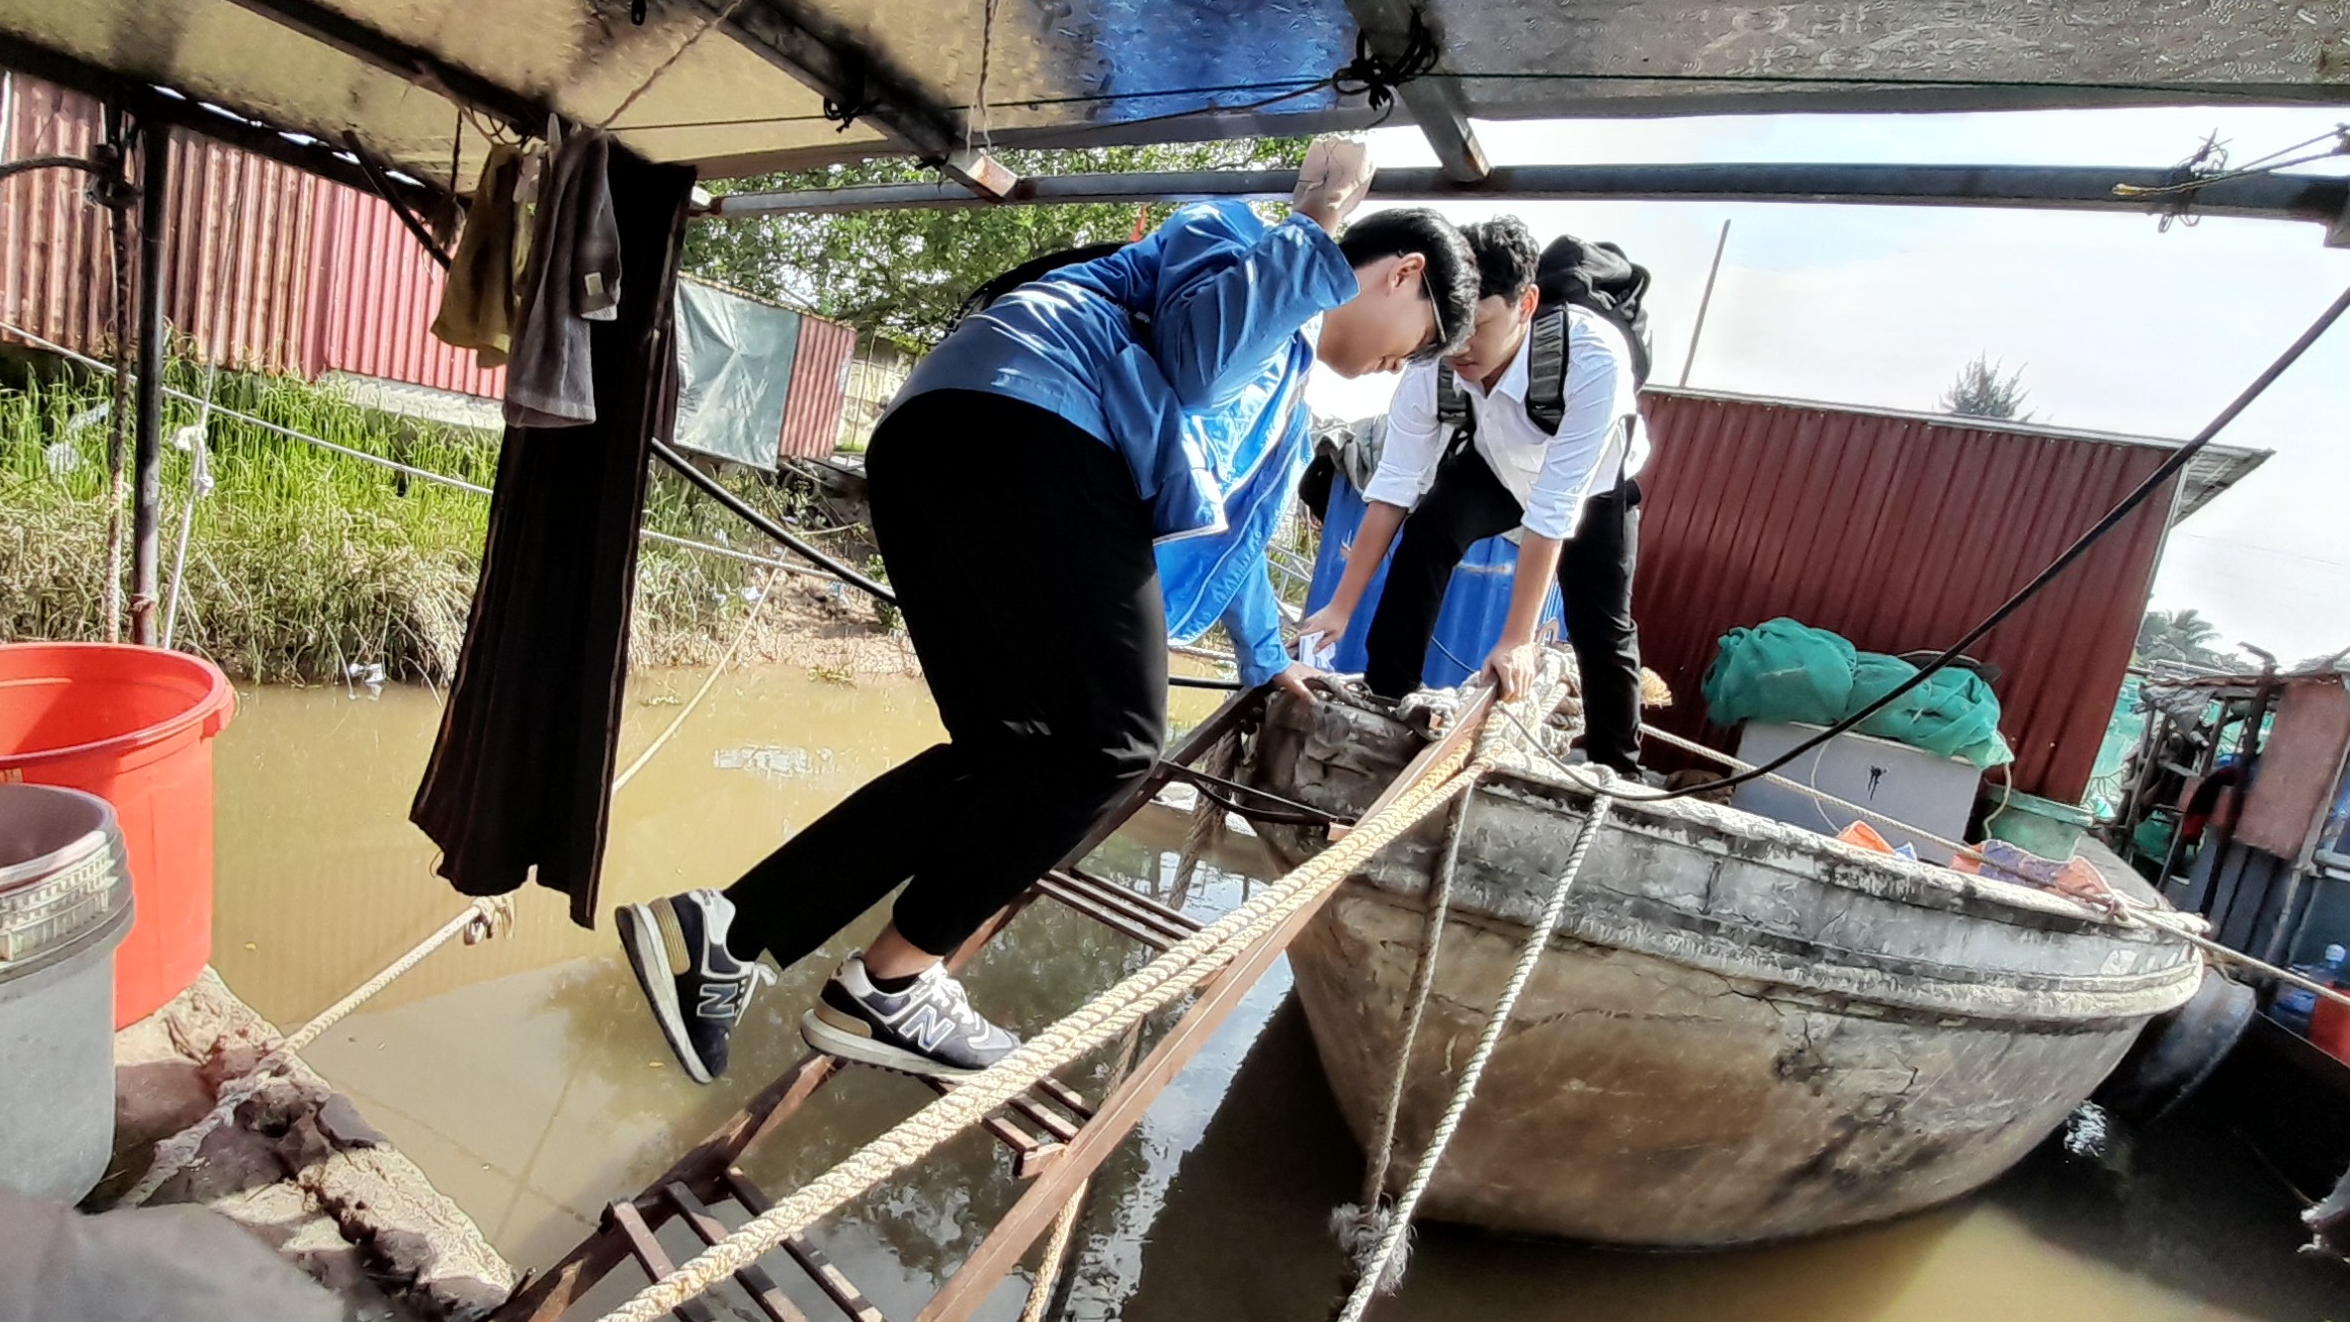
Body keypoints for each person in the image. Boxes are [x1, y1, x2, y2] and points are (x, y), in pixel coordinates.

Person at [617, 144, 1480, 1086]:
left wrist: (1265, 659)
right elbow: (1193, 365)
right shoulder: (1243, 236)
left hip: (944, 448)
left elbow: (1235, 541)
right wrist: (1314, 228)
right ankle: (891, 984)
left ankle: (731, 931)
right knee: (1112, 748)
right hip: (1030, 432)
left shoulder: (1286, 392)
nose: (1402, 369)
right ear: (1402, 274)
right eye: (1420, 340)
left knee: (1009, 751)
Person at [1297, 215, 1651, 775]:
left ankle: (1618, 764)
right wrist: (1340, 605)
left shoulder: (1592, 357)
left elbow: (1555, 505)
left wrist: (1517, 640)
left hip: (1591, 483)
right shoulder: (1433, 363)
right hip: (1495, 463)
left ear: (1527, 304)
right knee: (1429, 532)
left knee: (1602, 621)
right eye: (1453, 324)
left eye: (1480, 324)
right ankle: (1389, 691)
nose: (1459, 346)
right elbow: (1392, 489)